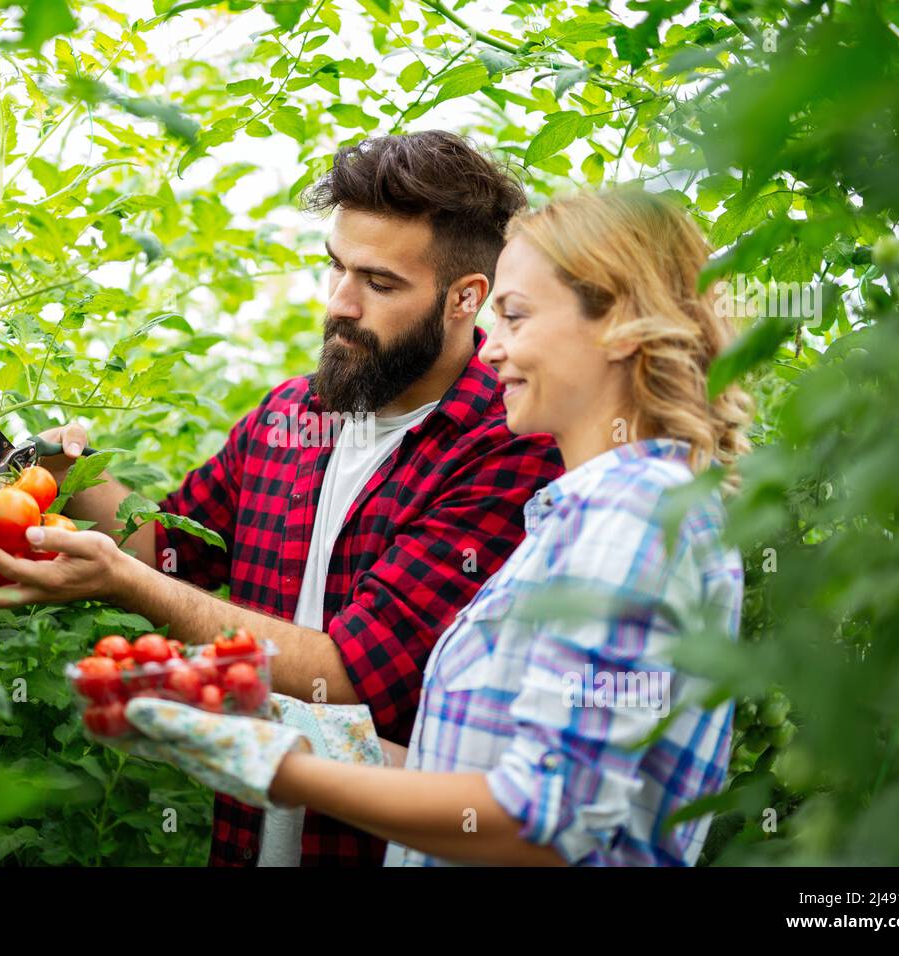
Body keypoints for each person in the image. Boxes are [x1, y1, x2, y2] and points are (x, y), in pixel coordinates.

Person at [0, 131, 564, 866]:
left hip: (379, 847)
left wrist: (127, 583)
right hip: (251, 839)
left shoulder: (506, 446)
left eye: (378, 283)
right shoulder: (292, 416)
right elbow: (172, 555)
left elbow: (350, 673)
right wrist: (57, 467)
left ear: (468, 297)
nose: (339, 304)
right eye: (335, 267)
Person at [119, 187, 753, 866]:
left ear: (618, 325)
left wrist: (280, 770)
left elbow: (540, 823)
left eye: (513, 316)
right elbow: (472, 769)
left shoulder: (626, 519)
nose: (490, 350)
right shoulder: (604, 510)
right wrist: (276, 729)